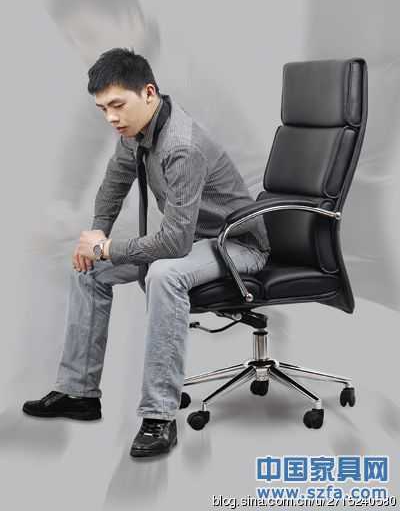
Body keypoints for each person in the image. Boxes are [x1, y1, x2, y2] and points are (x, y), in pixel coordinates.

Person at [22, 48, 271, 458]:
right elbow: (113, 185)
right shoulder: (136, 132)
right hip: (195, 241)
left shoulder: (182, 146)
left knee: (163, 273)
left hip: (237, 246)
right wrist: (96, 235)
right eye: (103, 109)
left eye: (117, 105)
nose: (111, 117)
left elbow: (173, 245)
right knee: (89, 269)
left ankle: (159, 417)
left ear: (149, 93)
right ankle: (79, 392)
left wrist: (106, 247)